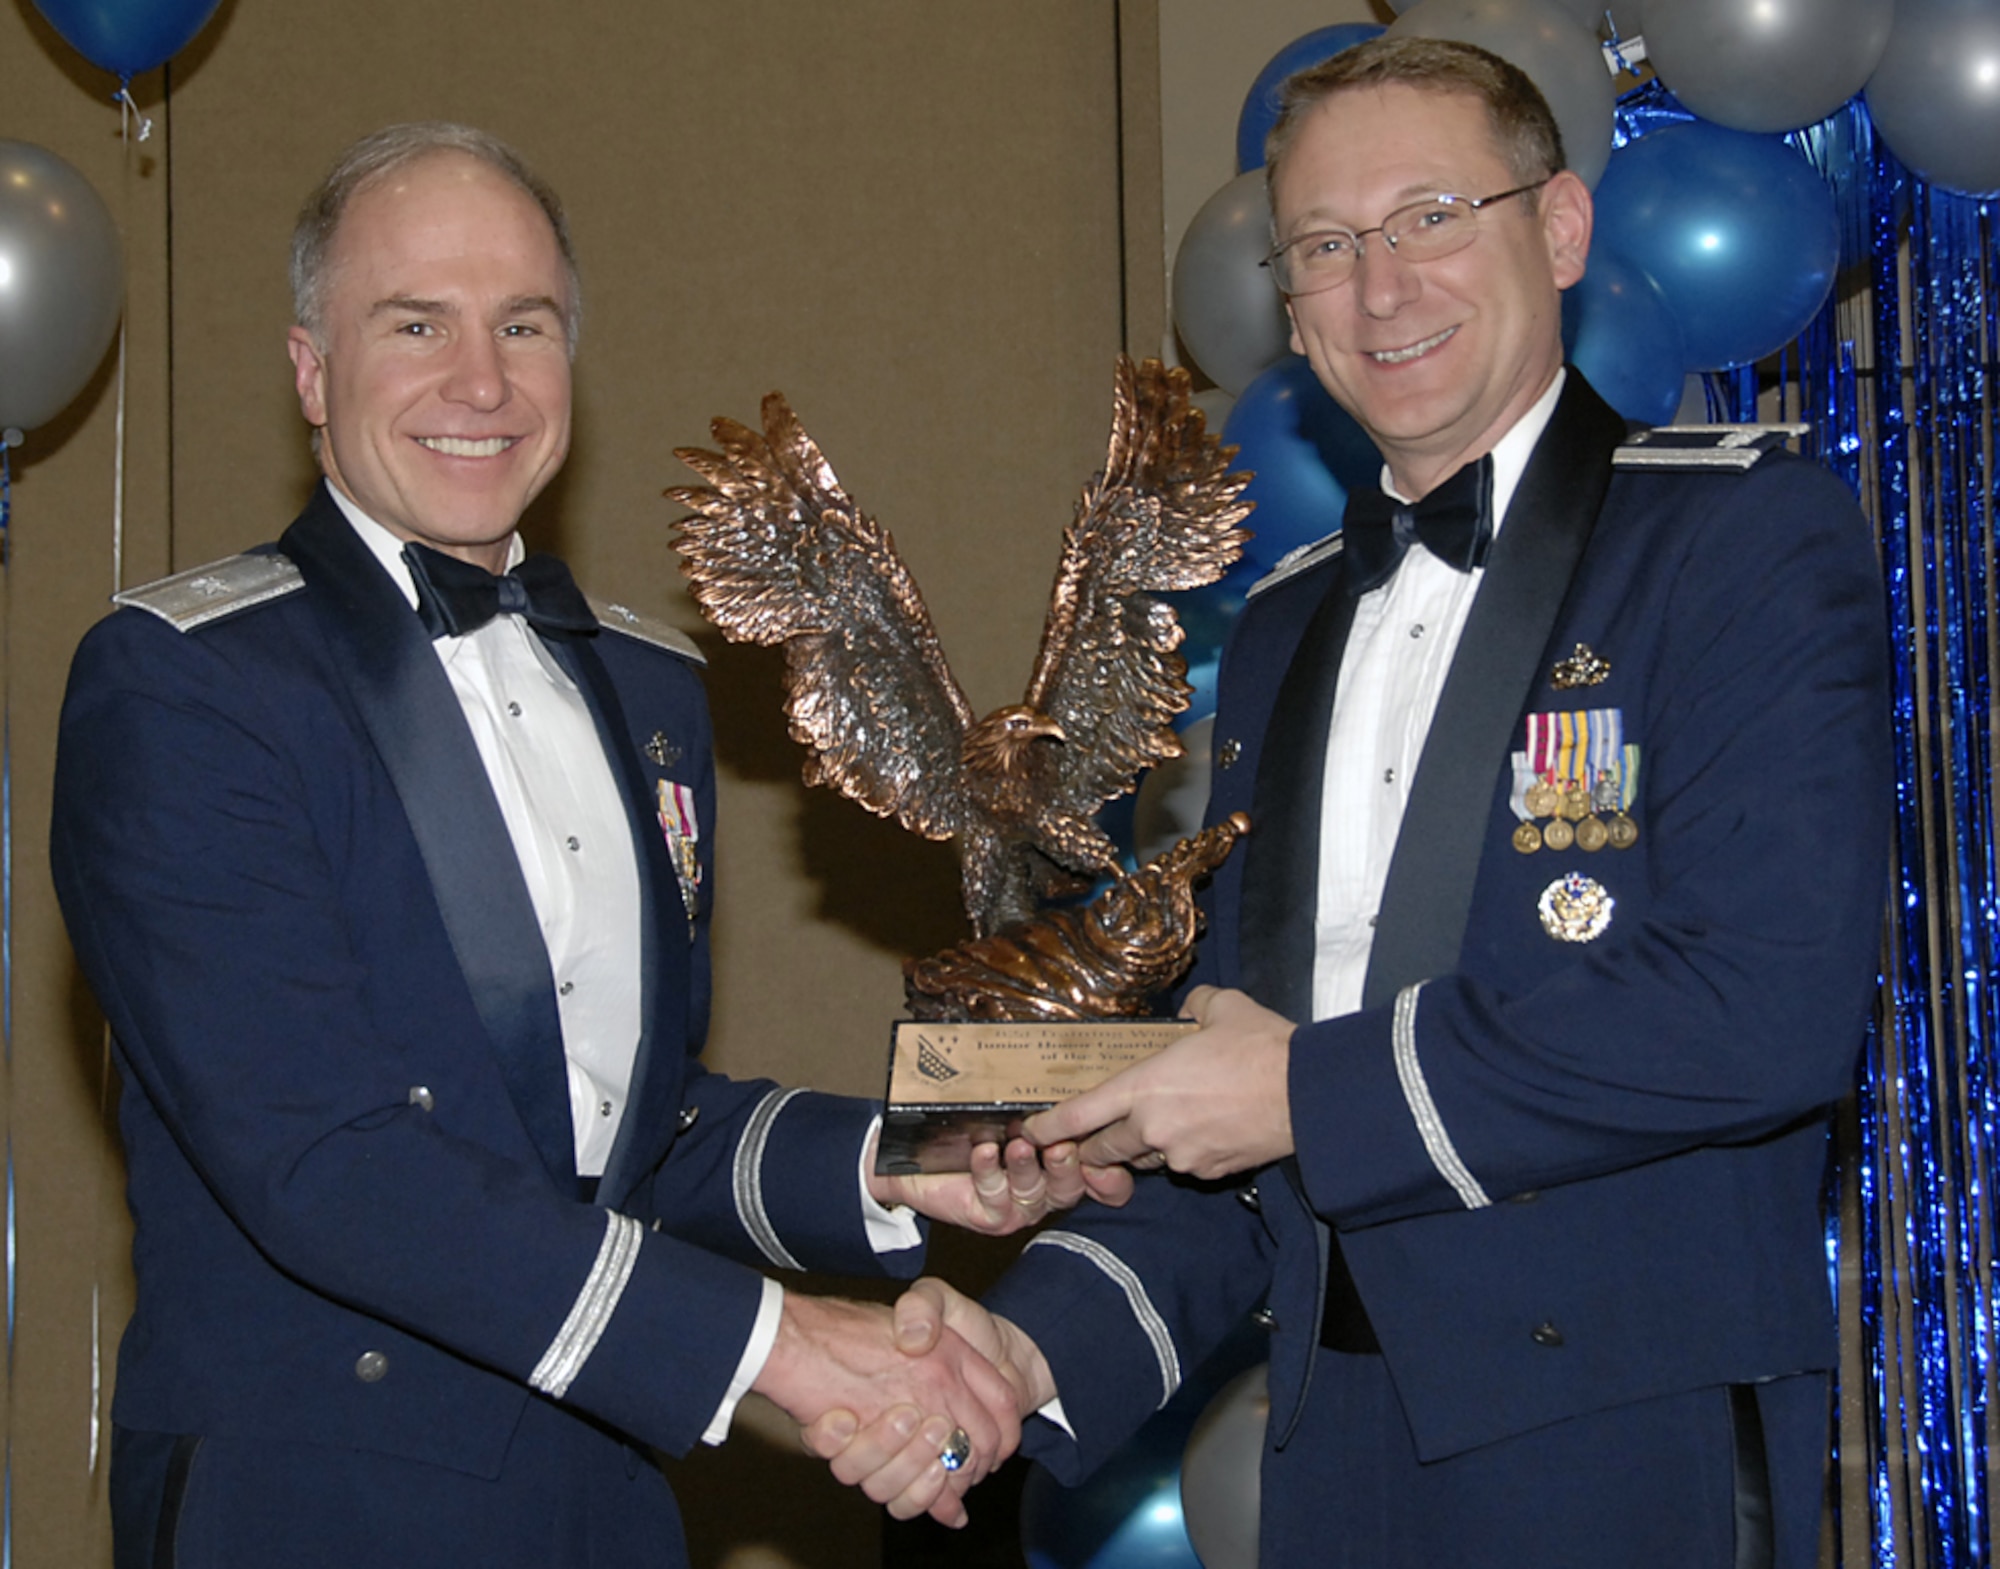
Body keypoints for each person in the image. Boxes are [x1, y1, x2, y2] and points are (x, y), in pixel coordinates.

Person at [816, 37, 1890, 1567]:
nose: (1382, 288)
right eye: (1325, 245)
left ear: (1561, 228)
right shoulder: (1283, 627)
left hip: (1617, 1447)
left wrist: (1306, 1093)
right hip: (1329, 1457)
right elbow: (1232, 1105)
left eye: (1432, 217)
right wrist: (1026, 1350)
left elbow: (1762, 1006)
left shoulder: (1739, 541)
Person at [50, 122, 1125, 1569]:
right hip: (318, 1505)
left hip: (601, 1499)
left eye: (524, 324)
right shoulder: (187, 685)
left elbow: (626, 1129)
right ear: (310, 370)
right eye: (414, 323)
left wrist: (911, 1155)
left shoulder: (645, 685)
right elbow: (330, 1161)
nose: (479, 381)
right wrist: (782, 1345)